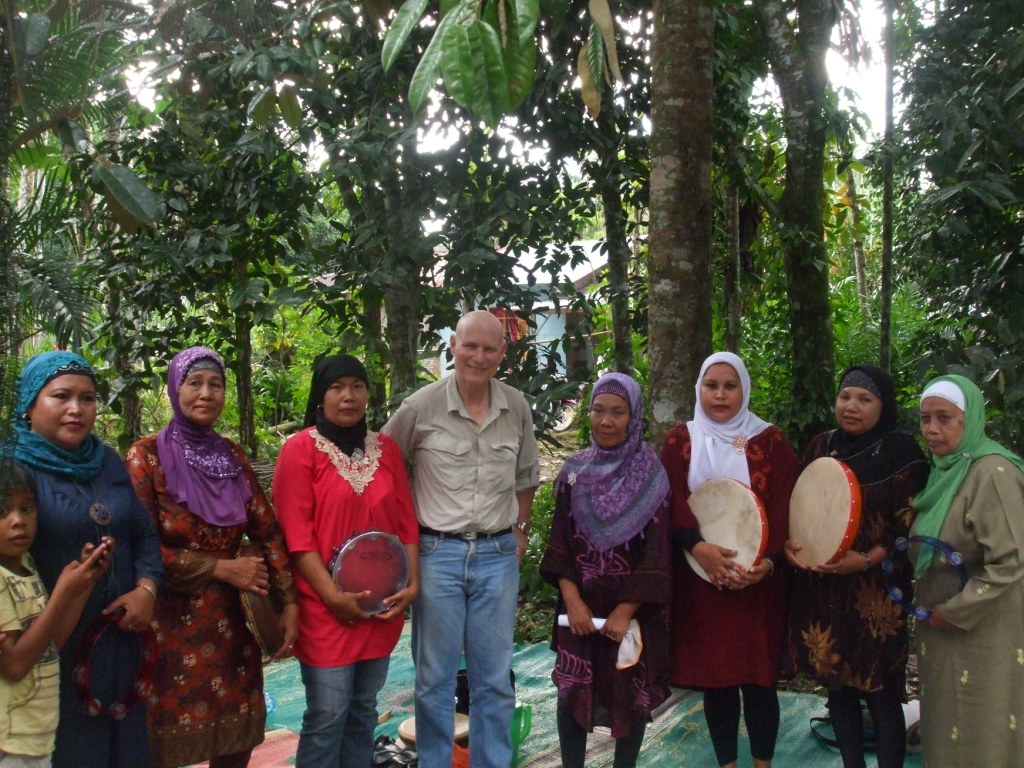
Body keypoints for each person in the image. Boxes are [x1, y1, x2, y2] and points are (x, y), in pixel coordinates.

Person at [124, 345, 298, 768]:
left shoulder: (233, 456)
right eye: (194, 383)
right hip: (170, 626)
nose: (206, 393)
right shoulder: (145, 457)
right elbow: (139, 546)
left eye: (216, 384)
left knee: (235, 744)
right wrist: (223, 568)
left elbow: (269, 531)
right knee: (163, 744)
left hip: (237, 626)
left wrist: (289, 601)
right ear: (174, 389)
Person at [383, 309, 540, 768]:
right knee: (434, 679)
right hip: (436, 556)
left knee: (494, 679)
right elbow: (386, 470)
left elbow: (526, 477)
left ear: (502, 353)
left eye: (489, 348)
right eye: (470, 346)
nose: (478, 356)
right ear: (453, 345)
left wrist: (520, 531)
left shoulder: (516, 406)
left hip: (497, 555)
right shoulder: (420, 407)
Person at [10, 350, 163, 768]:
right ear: (29, 404)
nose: (77, 408)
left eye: (88, 398)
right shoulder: (12, 473)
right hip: (52, 652)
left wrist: (146, 589)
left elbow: (143, 533)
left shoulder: (108, 462)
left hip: (123, 646)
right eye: (61, 396)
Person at [272, 353, 419, 768]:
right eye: (337, 387)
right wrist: (333, 597)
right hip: (325, 608)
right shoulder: (300, 451)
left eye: (357, 386)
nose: (348, 396)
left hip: (380, 607)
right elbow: (297, 539)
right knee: (327, 714)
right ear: (320, 396)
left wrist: (412, 583)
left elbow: (406, 522)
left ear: (368, 395)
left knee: (363, 712)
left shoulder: (386, 449)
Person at [782, 365, 929, 768]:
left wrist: (865, 559)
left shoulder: (902, 452)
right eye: (845, 397)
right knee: (838, 691)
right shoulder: (820, 446)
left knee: (882, 692)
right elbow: (801, 508)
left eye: (865, 399)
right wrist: (792, 545)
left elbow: (909, 523)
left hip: (877, 594)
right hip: (824, 590)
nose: (851, 407)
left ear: (884, 405)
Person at [659, 351, 798, 768]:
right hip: (702, 580)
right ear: (698, 389)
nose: (720, 395)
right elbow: (670, 501)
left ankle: (762, 764)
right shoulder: (680, 440)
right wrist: (699, 549)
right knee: (716, 680)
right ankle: (727, 764)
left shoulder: (770, 441)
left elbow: (784, 506)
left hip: (758, 583)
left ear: (744, 390)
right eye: (711, 386)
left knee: (759, 680)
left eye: (729, 386)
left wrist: (767, 564)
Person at [540, 372, 671, 768]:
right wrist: (573, 601)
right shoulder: (573, 472)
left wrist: (625, 610)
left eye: (618, 412)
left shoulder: (652, 475)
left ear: (634, 418)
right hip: (578, 611)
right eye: (598, 410)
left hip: (628, 616)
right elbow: (560, 542)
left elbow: (656, 554)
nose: (606, 421)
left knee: (629, 697)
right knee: (572, 692)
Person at [910, 375, 1024, 767]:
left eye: (945, 418)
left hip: (982, 630)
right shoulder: (946, 471)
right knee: (945, 726)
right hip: (940, 630)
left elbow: (1011, 561)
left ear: (970, 419)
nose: (932, 429)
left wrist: (954, 612)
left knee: (983, 726)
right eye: (925, 418)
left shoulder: (992, 472)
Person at [0, 463, 112, 767]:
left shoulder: (26, 566)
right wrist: (62, 592)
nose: (18, 522)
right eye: (3, 512)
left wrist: (83, 586)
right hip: (8, 740)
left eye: (26, 509)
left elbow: (50, 645)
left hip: (36, 734)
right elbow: (15, 665)